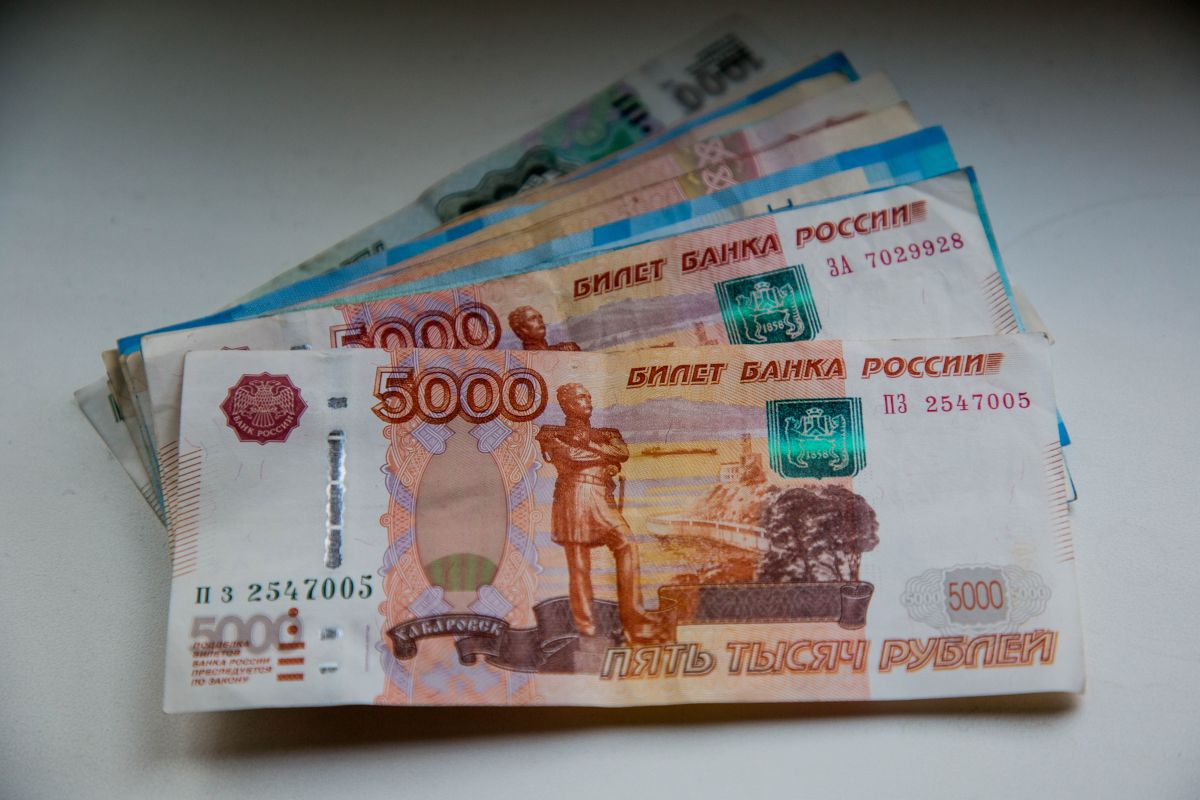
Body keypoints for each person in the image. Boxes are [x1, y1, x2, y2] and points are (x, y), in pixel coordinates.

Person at [536, 383, 660, 643]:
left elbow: (622, 453)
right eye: (581, 397)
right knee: (579, 564)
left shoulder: (607, 432)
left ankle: (634, 618)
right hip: (574, 495)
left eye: (589, 396)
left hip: (602, 496)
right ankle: (586, 627)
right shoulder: (550, 433)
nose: (588, 401)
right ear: (567, 404)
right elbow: (569, 455)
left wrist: (594, 451)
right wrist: (605, 457)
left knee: (627, 544)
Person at [507, 306, 580, 351]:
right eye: (532, 318)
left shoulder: (565, 348)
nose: (540, 321)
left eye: (540, 317)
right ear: (520, 330)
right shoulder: (523, 360)